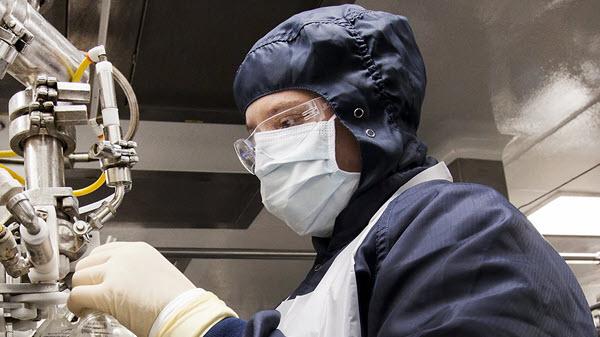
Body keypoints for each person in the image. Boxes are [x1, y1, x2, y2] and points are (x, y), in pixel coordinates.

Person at [67, 5, 596, 337]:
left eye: (289, 120)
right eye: (256, 136)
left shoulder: (460, 226)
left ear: (366, 117)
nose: (269, 151)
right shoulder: (324, 283)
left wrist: (192, 320)